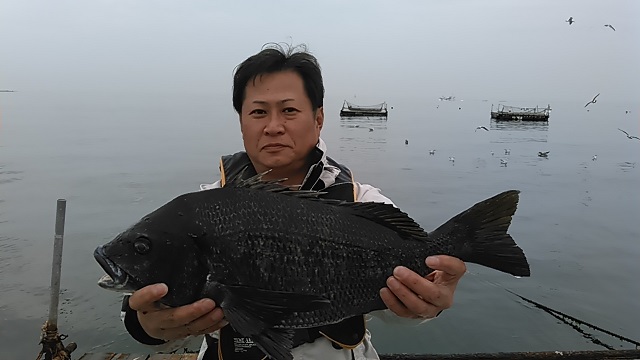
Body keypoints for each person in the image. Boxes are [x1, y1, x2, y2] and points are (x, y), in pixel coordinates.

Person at [120, 43, 467, 360]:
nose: (273, 126)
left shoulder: (363, 202)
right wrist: (146, 326)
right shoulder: (206, 207)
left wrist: (429, 304)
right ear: (241, 121)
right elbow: (148, 314)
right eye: (258, 112)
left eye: (288, 110)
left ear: (318, 120)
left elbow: (399, 310)